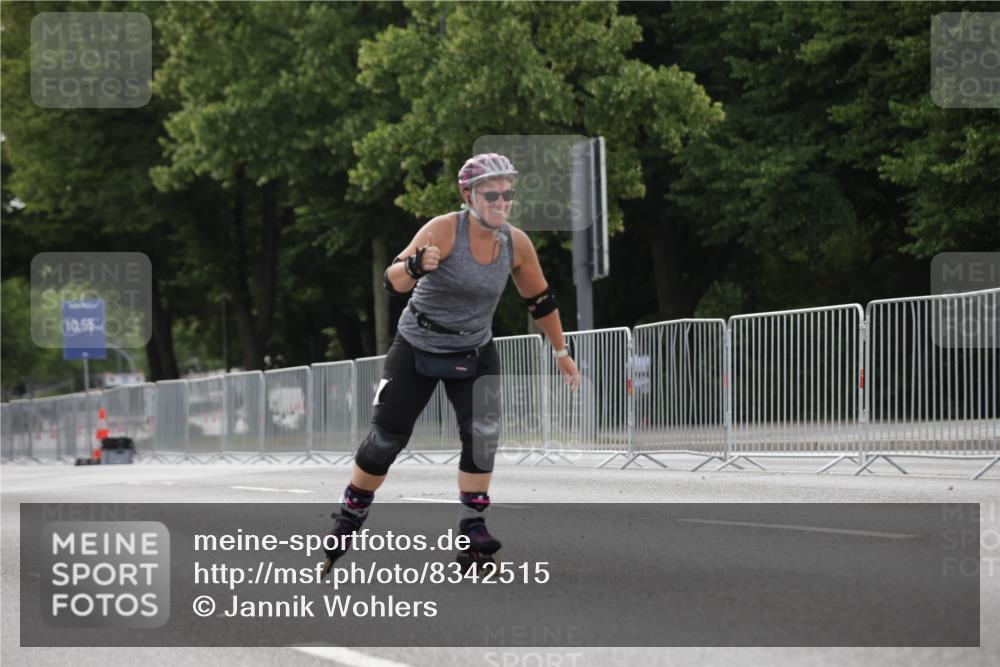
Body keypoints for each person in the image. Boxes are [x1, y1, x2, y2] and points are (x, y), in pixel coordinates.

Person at [322, 153, 581, 573]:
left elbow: (540, 301)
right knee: (386, 439)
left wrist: (561, 353)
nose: (501, 203)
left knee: (483, 435)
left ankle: (473, 530)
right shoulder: (444, 229)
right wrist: (414, 265)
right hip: (417, 345)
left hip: (474, 349)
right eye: (491, 195)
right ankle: (351, 511)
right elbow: (391, 280)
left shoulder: (516, 243)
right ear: (469, 196)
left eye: (508, 194)